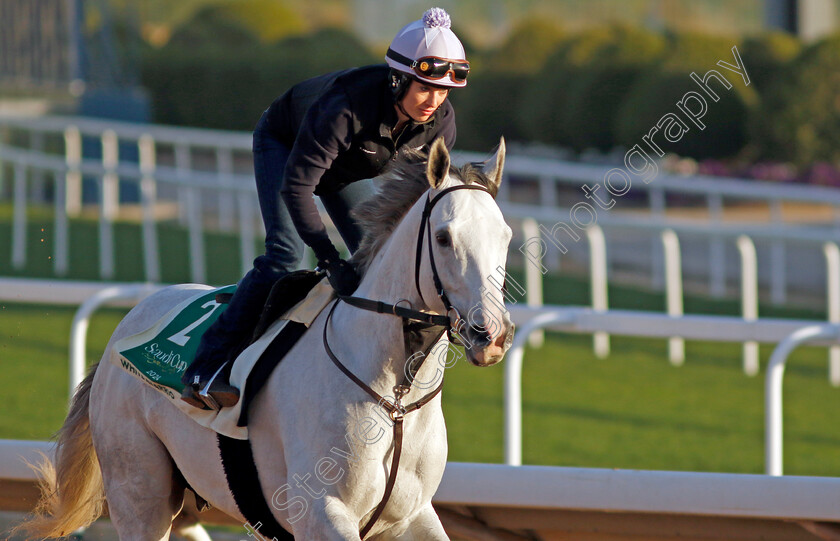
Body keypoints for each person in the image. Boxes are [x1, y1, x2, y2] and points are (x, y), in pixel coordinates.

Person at [180, 7, 471, 410]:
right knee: (285, 255)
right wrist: (328, 254)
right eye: (424, 88)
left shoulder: (441, 123)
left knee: (377, 256)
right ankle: (205, 368)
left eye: (443, 92)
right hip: (285, 145)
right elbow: (298, 186)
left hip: (347, 169)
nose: (433, 101)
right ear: (397, 78)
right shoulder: (345, 106)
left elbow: (419, 203)